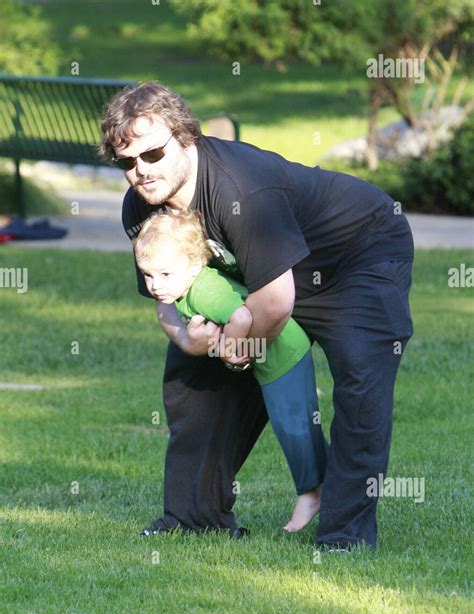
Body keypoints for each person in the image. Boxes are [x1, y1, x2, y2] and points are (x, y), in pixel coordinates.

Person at [99, 81, 414, 550]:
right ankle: (192, 516)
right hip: (270, 279)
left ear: (188, 138)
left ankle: (344, 535)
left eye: (153, 154)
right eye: (127, 162)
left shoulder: (239, 187)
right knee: (193, 375)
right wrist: (191, 341)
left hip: (357, 254)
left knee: (360, 371)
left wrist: (238, 350)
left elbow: (274, 303)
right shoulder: (143, 208)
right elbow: (166, 296)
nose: (141, 172)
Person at [133, 208, 329, 532]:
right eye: (148, 275)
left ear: (195, 264)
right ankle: (331, 486)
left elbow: (242, 318)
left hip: (282, 354)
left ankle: (313, 492)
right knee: (293, 424)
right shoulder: (181, 287)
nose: (154, 286)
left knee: (293, 425)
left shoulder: (204, 290)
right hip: (270, 356)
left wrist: (230, 350)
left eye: (165, 275)